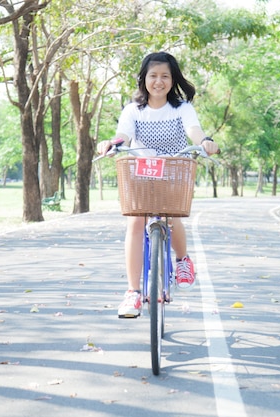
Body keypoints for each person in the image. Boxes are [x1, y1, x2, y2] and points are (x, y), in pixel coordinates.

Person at [97, 51, 220, 318]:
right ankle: (132, 292)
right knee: (135, 221)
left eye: (165, 76)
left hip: (174, 172)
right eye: (153, 75)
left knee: (172, 216)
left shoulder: (182, 108)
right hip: (141, 174)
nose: (159, 81)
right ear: (144, 79)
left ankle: (182, 260)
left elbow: (194, 132)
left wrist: (206, 141)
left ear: (173, 79)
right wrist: (111, 144)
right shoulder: (133, 110)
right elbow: (123, 136)